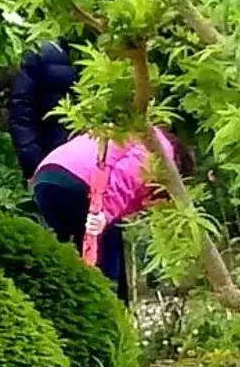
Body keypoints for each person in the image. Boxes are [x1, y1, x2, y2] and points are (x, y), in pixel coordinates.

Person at [30, 128, 181, 298]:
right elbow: (128, 174)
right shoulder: (160, 148)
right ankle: (107, 310)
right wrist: (105, 212)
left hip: (47, 179)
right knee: (107, 267)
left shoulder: (129, 130)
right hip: (83, 183)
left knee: (72, 259)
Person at [7, 40, 76, 180]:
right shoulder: (39, 52)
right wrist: (33, 165)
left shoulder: (118, 44)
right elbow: (22, 114)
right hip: (54, 161)